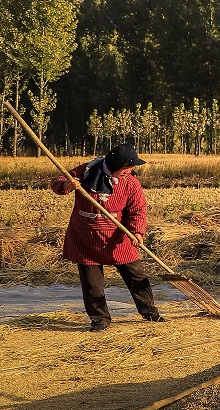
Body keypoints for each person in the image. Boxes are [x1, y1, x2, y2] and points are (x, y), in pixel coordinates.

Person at [50, 142, 163, 331]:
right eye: (126, 168)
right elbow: (57, 182)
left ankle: (150, 312)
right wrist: (67, 185)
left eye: (131, 168)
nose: (129, 171)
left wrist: (136, 231)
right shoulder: (86, 171)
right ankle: (100, 320)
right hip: (86, 237)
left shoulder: (131, 184)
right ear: (114, 164)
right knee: (92, 284)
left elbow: (138, 210)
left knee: (136, 276)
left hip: (118, 237)